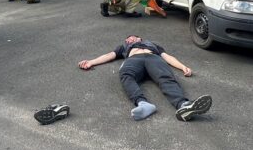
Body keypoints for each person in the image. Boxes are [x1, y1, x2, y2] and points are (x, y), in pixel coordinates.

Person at [78, 35, 212, 122]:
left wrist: (183, 67)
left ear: (140, 38)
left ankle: (184, 105)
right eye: (127, 39)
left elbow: (167, 57)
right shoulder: (124, 47)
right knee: (125, 75)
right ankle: (143, 104)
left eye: (132, 38)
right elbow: (109, 55)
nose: (129, 40)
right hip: (134, 60)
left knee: (166, 77)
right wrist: (91, 62)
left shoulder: (153, 45)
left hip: (153, 58)